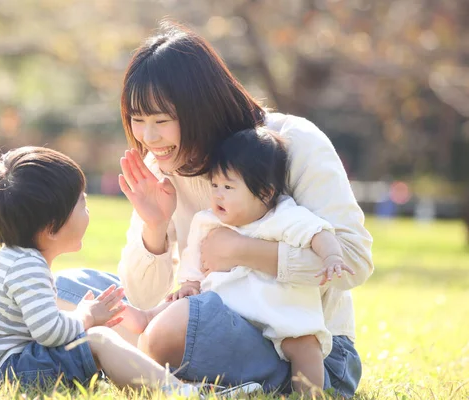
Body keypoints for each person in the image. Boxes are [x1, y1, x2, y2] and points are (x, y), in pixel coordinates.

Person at [55, 22, 373, 398]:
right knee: (66, 290)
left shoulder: (294, 142)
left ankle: (130, 361)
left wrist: (242, 252)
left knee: (175, 325)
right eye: (137, 121)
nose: (148, 138)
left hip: (305, 351)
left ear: (201, 108)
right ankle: (163, 373)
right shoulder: (162, 167)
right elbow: (140, 299)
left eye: (161, 121)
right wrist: (154, 228)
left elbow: (353, 262)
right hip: (206, 320)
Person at [0, 146, 204, 395]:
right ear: (51, 228)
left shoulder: (18, 260)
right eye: (82, 204)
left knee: (93, 341)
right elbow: (50, 333)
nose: (88, 211)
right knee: (98, 340)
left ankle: (153, 382)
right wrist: (86, 316)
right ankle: (179, 392)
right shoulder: (26, 267)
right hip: (1, 373)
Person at [167, 127, 354, 393]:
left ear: (265, 193)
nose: (218, 194)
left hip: (283, 314)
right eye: (215, 185)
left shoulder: (284, 216)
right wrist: (189, 283)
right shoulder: (206, 221)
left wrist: (332, 256)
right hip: (233, 317)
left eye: (228, 187)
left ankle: (309, 395)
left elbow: (318, 232)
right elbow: (193, 258)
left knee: (305, 346)